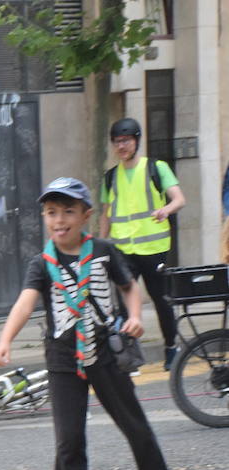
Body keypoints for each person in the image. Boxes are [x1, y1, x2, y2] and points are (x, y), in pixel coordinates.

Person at [0, 177, 171, 470]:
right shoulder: (41, 263)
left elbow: (129, 287)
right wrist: (4, 339)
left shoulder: (103, 251)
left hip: (106, 353)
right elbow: (25, 303)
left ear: (85, 215)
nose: (59, 220)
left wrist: (135, 317)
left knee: (134, 426)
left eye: (68, 211)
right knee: (69, 437)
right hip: (62, 360)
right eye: (51, 212)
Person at [96, 118, 186, 370]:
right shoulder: (111, 177)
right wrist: (101, 245)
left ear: (136, 140)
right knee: (124, 304)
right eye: (116, 142)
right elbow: (107, 213)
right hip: (123, 250)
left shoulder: (156, 168)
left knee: (161, 300)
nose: (121, 146)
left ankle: (171, 348)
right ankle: (130, 356)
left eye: (125, 140)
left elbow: (179, 199)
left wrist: (165, 210)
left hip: (154, 248)